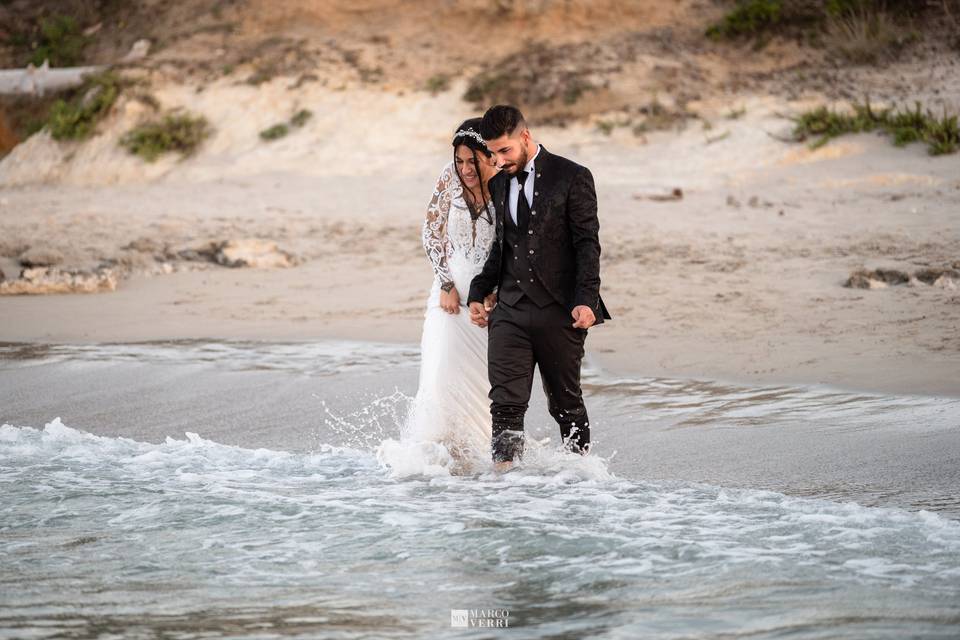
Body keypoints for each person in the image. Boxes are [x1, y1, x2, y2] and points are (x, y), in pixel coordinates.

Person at [467, 105, 611, 471]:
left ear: (525, 138)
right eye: (493, 153)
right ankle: (505, 486)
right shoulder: (499, 184)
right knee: (506, 403)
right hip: (511, 311)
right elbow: (501, 247)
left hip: (560, 310)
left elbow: (587, 244)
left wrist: (586, 300)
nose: (498, 161)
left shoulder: (572, 176)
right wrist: (476, 292)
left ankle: (578, 477)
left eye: (505, 151)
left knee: (565, 402)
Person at [403, 118, 500, 469]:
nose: (465, 169)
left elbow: (512, 244)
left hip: (487, 302)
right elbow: (431, 230)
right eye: (459, 161)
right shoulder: (449, 177)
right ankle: (435, 458)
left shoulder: (504, 183)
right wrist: (445, 283)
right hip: (447, 297)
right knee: (439, 371)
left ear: (486, 157)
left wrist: (495, 292)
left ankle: (474, 456)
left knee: (480, 384)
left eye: (471, 161)